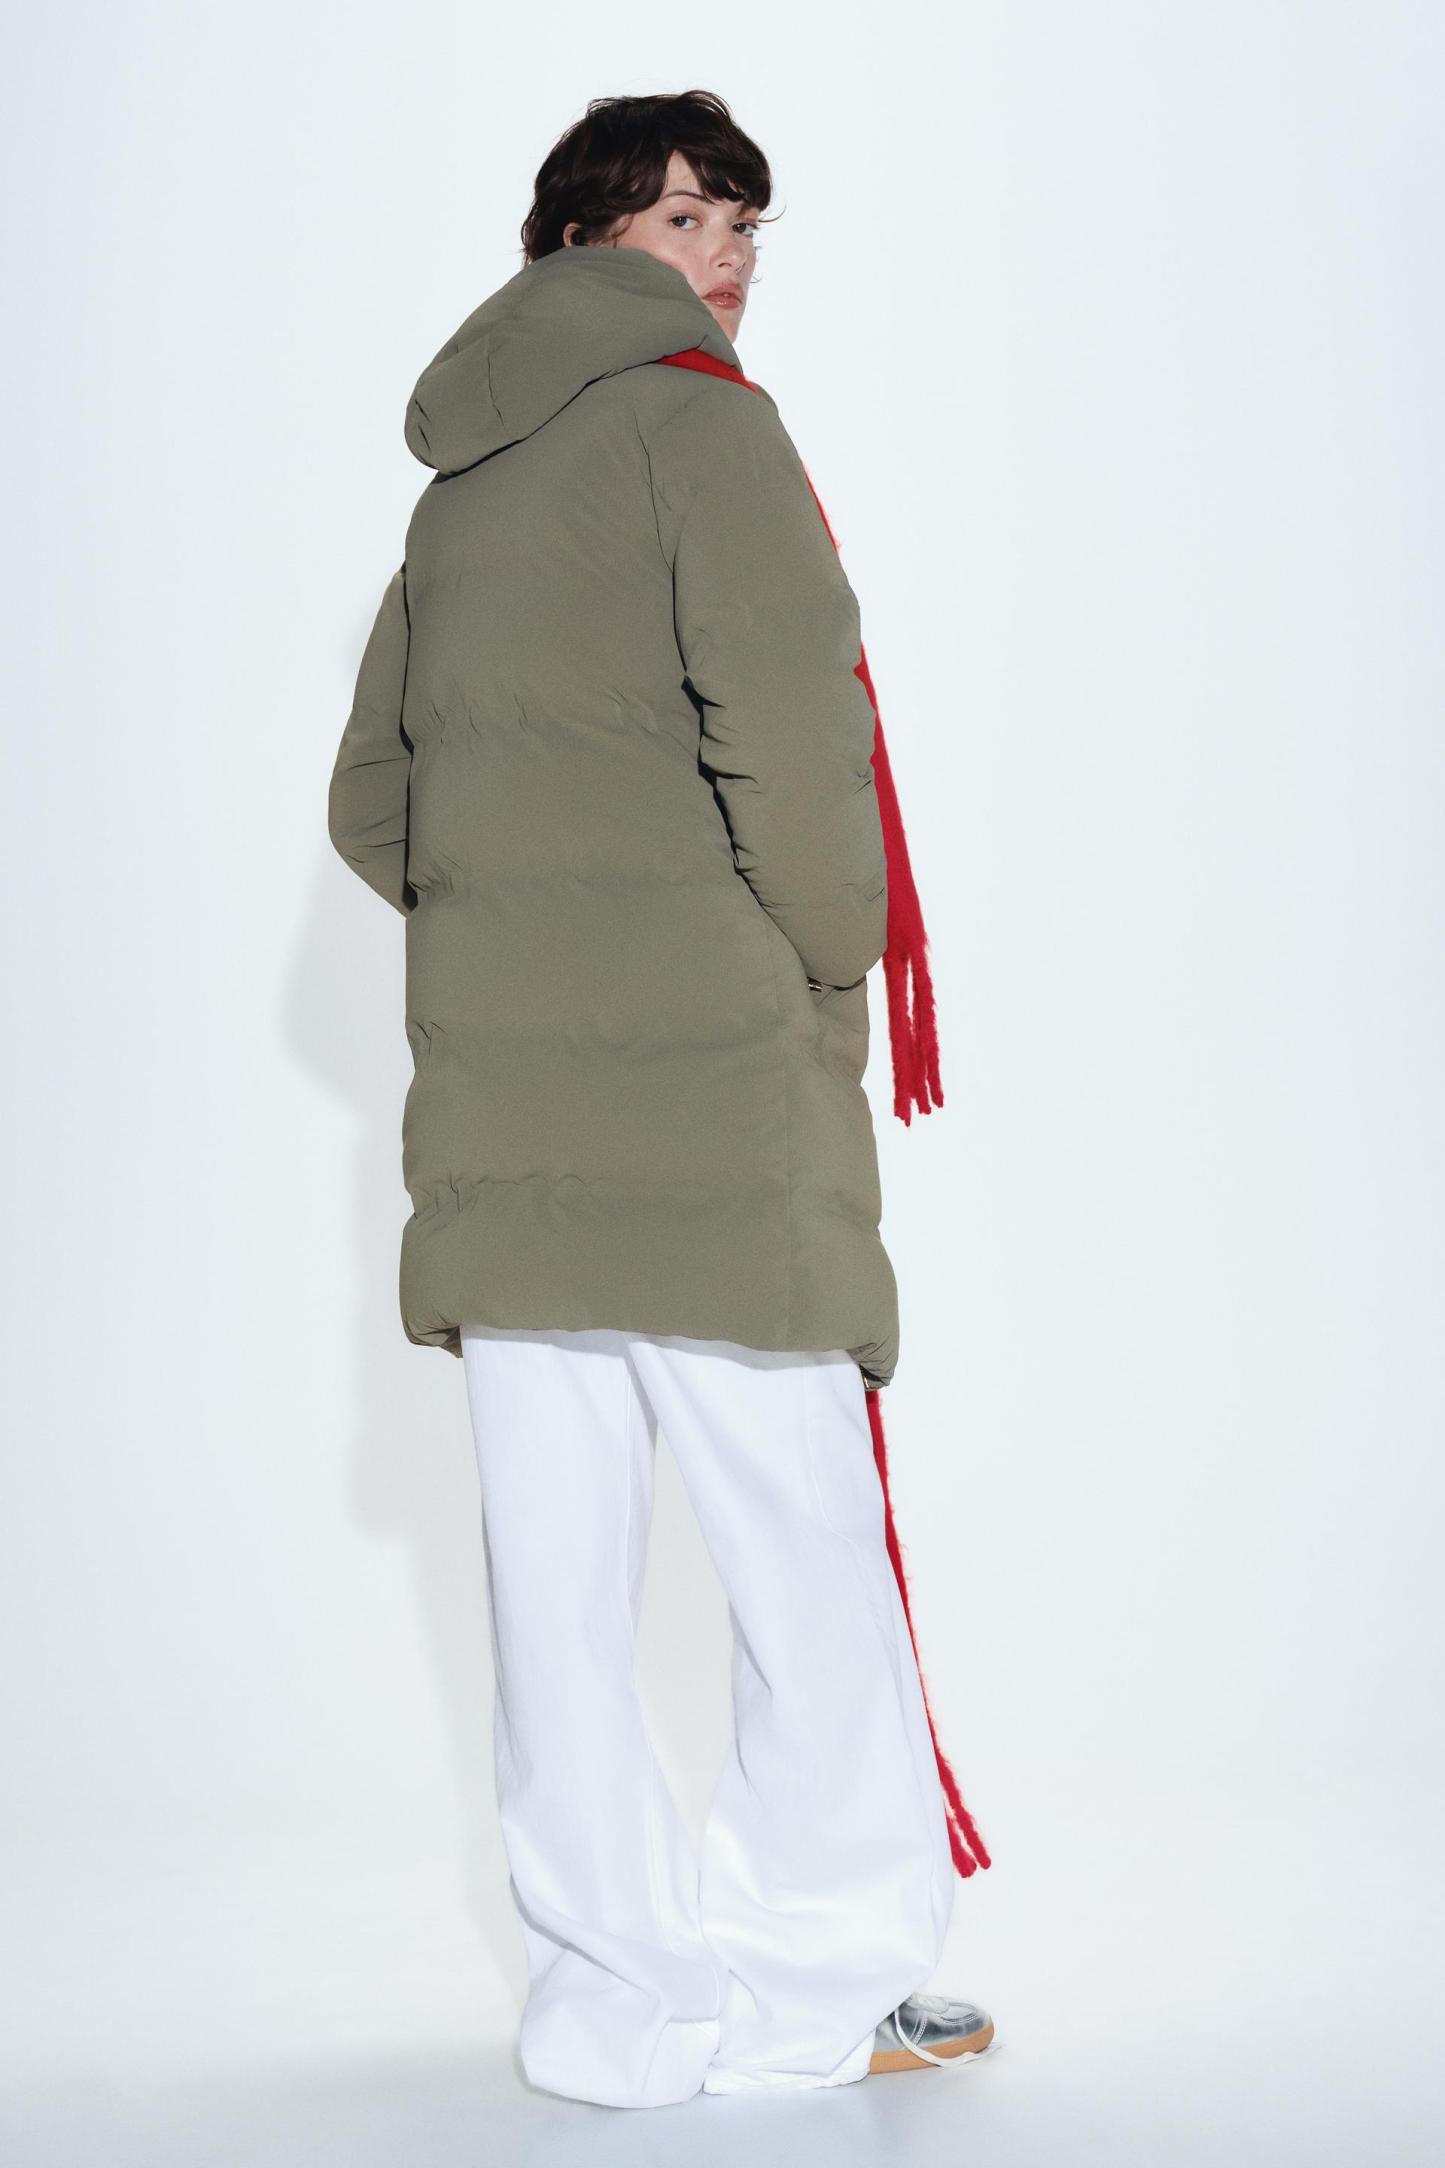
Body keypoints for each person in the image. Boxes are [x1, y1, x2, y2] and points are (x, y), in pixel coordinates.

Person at [328, 88, 994, 2108]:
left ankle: (612, 2005)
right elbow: (794, 742)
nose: (726, 256)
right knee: (800, 1553)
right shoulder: (706, 429)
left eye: (744, 223)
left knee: (555, 1580)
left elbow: (373, 803)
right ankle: (822, 1982)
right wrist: (818, 953)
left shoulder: (461, 486)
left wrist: (533, 931)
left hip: (508, 1130)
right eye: (686, 215)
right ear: (579, 237)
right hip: (712, 1102)